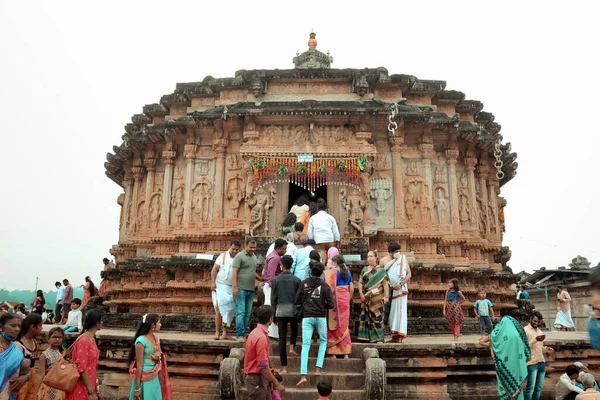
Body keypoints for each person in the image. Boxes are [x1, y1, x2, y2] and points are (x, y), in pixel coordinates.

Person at [295, 262, 335, 388]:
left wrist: (307, 303)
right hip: (321, 316)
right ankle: (318, 368)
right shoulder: (324, 285)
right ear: (322, 273)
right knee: (323, 341)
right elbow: (331, 304)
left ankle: (303, 375)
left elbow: (297, 300)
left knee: (305, 345)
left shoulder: (304, 283)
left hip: (307, 316)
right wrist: (322, 305)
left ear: (311, 271)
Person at [479, 312, 531, 400]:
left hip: (502, 368)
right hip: (517, 367)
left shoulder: (497, 334)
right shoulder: (517, 333)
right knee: (518, 388)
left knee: (504, 390)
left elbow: (481, 341)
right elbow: (526, 349)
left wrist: (492, 346)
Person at [243, 305, 285, 400]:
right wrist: (276, 383)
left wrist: (270, 369)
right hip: (257, 379)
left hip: (257, 378)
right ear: (270, 319)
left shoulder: (255, 333)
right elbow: (262, 367)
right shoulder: (261, 337)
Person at [128, 314, 171, 400]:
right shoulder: (141, 341)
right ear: (152, 325)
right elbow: (139, 365)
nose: (161, 324)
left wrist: (158, 356)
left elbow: (158, 353)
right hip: (143, 377)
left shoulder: (155, 339)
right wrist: (137, 388)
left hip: (154, 376)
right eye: (159, 322)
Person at [271, 255, 301, 374]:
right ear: (291, 265)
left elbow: (273, 299)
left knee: (282, 338)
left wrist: (273, 315)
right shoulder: (297, 280)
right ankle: (292, 346)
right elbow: (299, 299)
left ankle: (284, 367)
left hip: (280, 311)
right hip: (293, 310)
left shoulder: (275, 280)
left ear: (282, 266)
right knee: (294, 330)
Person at [67, 309, 103, 400]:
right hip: (81, 386)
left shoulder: (91, 339)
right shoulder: (84, 340)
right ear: (96, 323)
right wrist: (90, 392)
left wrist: (96, 389)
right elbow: (82, 367)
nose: (102, 323)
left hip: (89, 384)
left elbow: (93, 366)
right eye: (101, 320)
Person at [210, 240, 241, 340]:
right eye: (233, 249)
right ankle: (216, 332)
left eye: (237, 250)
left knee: (230, 311)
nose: (235, 251)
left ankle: (225, 333)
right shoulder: (222, 256)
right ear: (230, 247)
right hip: (220, 286)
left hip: (232, 287)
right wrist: (212, 282)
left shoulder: (239, 258)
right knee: (219, 309)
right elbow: (214, 270)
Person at [232, 238, 261, 341]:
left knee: (247, 312)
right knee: (241, 312)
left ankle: (243, 333)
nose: (253, 249)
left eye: (254, 247)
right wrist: (235, 287)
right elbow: (234, 272)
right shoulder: (239, 256)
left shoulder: (254, 257)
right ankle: (239, 334)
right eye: (251, 247)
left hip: (250, 288)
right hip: (240, 288)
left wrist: (260, 279)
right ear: (246, 245)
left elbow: (252, 271)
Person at [357, 250, 389, 343]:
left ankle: (379, 338)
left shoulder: (381, 270)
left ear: (376, 258)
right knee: (366, 317)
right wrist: (361, 294)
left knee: (377, 317)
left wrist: (386, 297)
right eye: (367, 257)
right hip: (366, 298)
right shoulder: (364, 270)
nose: (369, 258)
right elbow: (360, 282)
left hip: (378, 299)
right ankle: (367, 337)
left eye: (371, 256)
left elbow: (385, 284)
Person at [325, 255, 353, 358]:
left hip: (334, 298)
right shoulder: (348, 272)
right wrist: (348, 299)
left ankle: (333, 352)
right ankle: (346, 352)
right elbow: (352, 289)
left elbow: (327, 286)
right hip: (345, 297)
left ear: (335, 262)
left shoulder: (331, 272)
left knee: (334, 322)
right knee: (344, 325)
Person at [0, 312, 32, 400]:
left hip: (10, 395)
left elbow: (28, 371)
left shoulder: (20, 349)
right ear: (1, 327)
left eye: (19, 326)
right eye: (13, 326)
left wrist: (24, 378)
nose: (17, 329)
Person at [384, 242, 411, 343]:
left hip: (401, 290)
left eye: (399, 251)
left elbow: (409, 274)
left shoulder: (403, 259)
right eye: (396, 251)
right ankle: (394, 335)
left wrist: (400, 283)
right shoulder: (386, 261)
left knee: (400, 313)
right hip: (391, 291)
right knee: (392, 314)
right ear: (390, 252)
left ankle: (399, 336)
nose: (398, 253)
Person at [524, 311, 554, 400]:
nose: (536, 323)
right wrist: (535, 340)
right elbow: (523, 347)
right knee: (530, 389)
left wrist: (546, 349)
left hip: (541, 362)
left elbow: (540, 348)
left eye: (538, 322)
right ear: (530, 319)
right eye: (535, 321)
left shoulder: (540, 331)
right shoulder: (525, 330)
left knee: (538, 388)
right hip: (531, 363)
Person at [264, 239, 288, 340]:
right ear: (278, 248)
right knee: (272, 309)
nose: (285, 251)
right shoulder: (275, 258)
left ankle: (271, 332)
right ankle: (272, 333)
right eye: (283, 249)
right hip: (271, 287)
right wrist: (274, 287)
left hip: (271, 286)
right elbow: (271, 276)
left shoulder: (272, 256)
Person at [16, 313, 43, 398]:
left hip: (31, 377)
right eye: (40, 325)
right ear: (33, 327)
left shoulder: (34, 342)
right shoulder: (18, 343)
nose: (41, 328)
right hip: (20, 378)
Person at [37, 326, 66, 400]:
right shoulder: (45, 355)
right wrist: (35, 390)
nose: (57, 339)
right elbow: (41, 374)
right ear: (48, 339)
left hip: (60, 385)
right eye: (54, 337)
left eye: (60, 337)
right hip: (48, 386)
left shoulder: (63, 354)